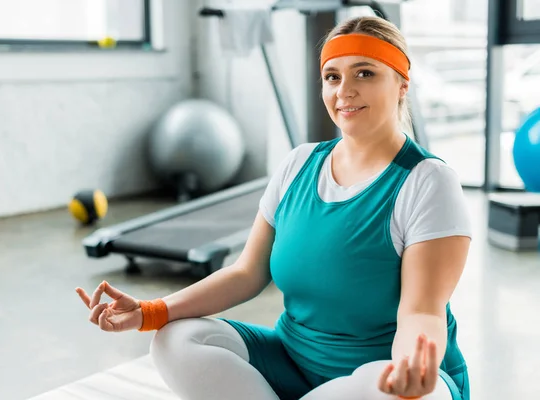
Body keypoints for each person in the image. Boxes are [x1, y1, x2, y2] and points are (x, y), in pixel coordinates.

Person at [76, 15, 472, 400]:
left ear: (402, 85)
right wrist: (150, 311)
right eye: (332, 76)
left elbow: (422, 312)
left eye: (365, 73)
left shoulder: (427, 182)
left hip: (379, 376)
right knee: (175, 339)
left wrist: (411, 369)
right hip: (292, 363)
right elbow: (246, 273)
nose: (344, 90)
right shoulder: (299, 164)